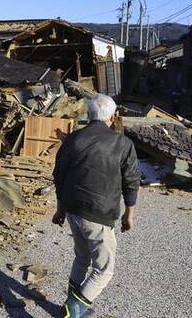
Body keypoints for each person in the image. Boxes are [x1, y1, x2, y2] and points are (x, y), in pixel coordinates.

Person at [52, 94, 141, 318]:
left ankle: (74, 304)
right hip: (99, 214)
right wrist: (129, 214)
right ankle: (72, 311)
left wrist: (60, 208)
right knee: (104, 270)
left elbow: (59, 176)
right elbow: (131, 180)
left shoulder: (72, 139)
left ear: (89, 115)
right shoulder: (123, 143)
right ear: (111, 116)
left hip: (73, 210)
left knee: (82, 257)